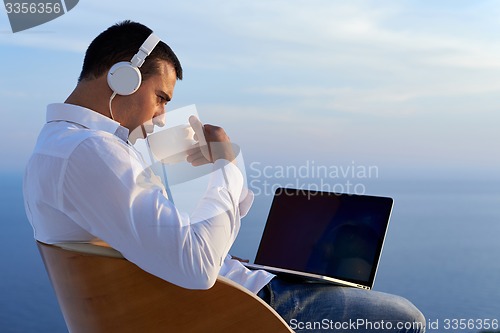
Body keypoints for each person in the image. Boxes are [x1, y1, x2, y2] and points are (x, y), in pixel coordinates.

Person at [23, 20, 425, 332]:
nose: (161, 115)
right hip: (242, 307)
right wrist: (226, 165)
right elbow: (196, 266)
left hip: (222, 289)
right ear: (120, 77)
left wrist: (204, 177)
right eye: (161, 98)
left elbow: (172, 238)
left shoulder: (61, 146)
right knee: (405, 317)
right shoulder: (91, 151)